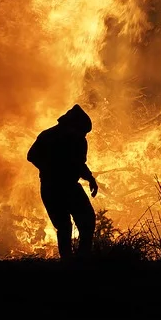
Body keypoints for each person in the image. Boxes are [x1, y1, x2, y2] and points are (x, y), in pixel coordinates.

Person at [27, 104, 98, 259]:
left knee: (87, 220)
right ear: (70, 125)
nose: (83, 135)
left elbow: (79, 164)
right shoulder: (48, 136)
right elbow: (31, 155)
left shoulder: (79, 141)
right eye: (82, 131)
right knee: (64, 226)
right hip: (51, 188)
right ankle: (67, 261)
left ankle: (82, 258)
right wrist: (49, 168)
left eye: (85, 133)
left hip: (71, 187)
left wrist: (90, 178)